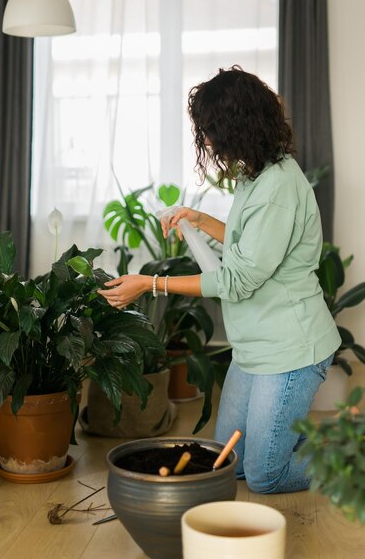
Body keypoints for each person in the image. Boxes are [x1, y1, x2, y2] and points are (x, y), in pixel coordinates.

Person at [97, 65, 341, 494]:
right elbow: (253, 248)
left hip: (290, 350)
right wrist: (200, 219)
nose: (207, 140)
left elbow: (240, 278)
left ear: (241, 125)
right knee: (233, 466)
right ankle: (291, 441)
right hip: (254, 347)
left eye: (213, 129)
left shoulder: (279, 186)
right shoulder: (256, 174)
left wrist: (150, 284)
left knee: (266, 476)